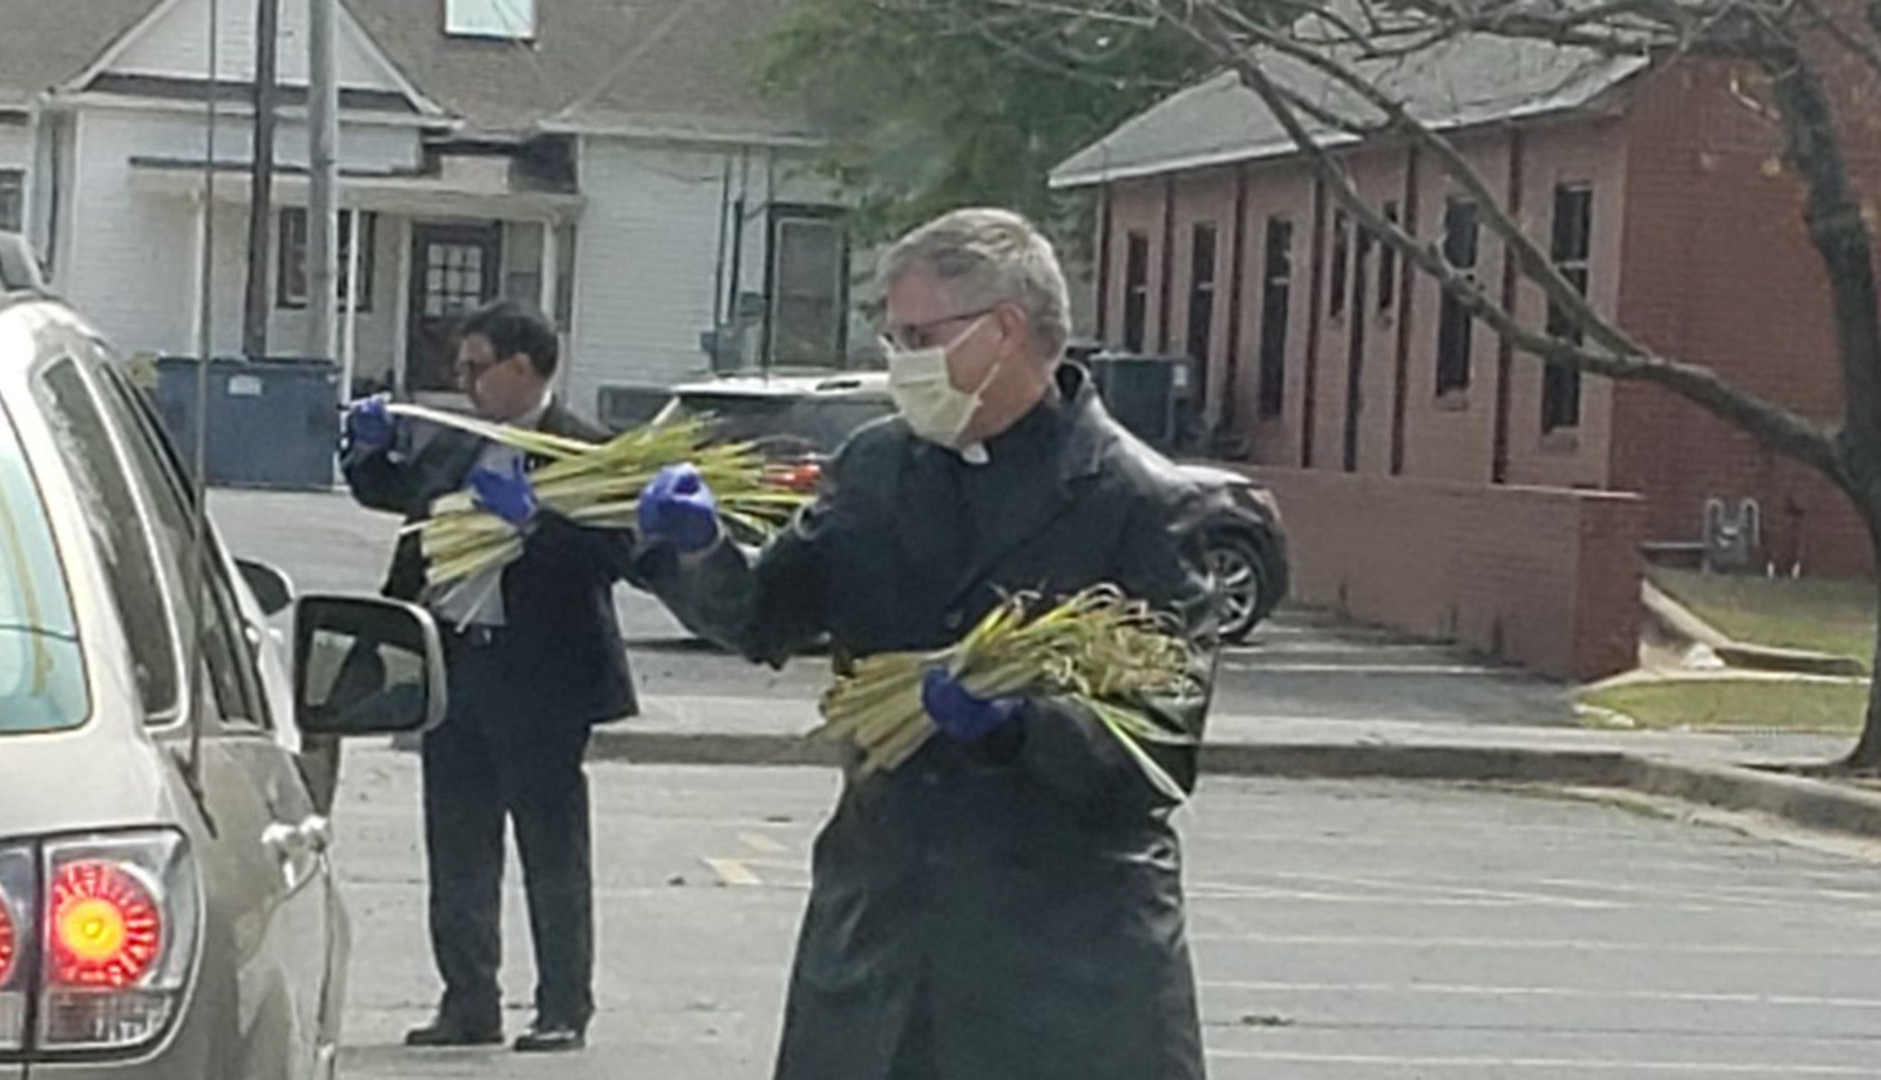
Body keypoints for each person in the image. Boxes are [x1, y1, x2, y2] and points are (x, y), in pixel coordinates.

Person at [635, 208, 1238, 1079]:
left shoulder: (1139, 501)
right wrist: (696, 550)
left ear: (1004, 330)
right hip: (880, 941)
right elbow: (765, 614)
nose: (900, 359)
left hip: (1063, 970)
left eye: (919, 335)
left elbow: (1162, 740)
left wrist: (1017, 726)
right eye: (892, 335)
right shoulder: (877, 466)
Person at [341, 300, 635, 1054]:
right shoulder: (460, 443)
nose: (463, 381)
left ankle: (563, 1006)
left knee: (551, 848)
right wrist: (367, 453)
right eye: (461, 368)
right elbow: (397, 495)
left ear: (521, 367)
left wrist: (536, 520)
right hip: (456, 664)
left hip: (541, 677)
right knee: (458, 844)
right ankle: (468, 1000)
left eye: (476, 367)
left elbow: (616, 557)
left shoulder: (585, 450)